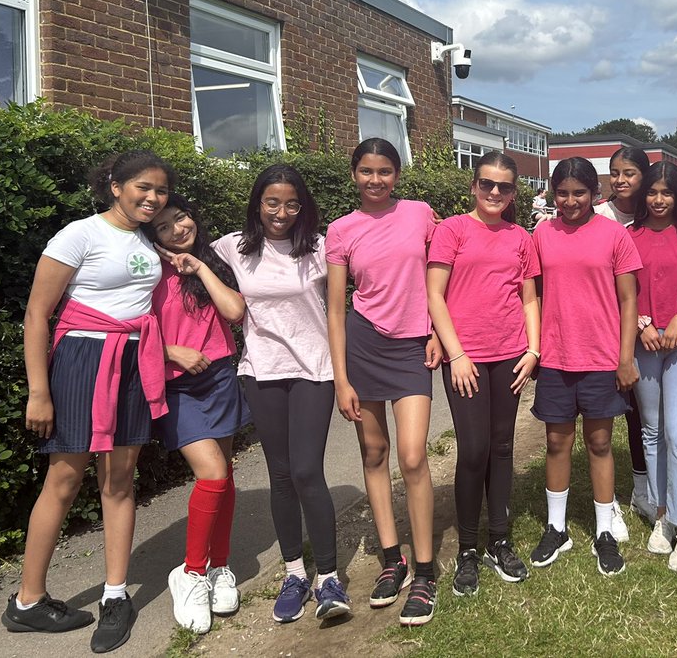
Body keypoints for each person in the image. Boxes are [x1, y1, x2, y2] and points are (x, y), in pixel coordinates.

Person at [4, 150, 174, 653]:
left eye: (161, 191)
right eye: (143, 187)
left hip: (133, 362)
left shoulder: (147, 238)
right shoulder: (80, 234)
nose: (152, 197)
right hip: (83, 361)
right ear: (115, 185)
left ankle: (116, 594)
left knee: (121, 478)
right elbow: (38, 314)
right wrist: (39, 391)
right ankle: (27, 602)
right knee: (64, 477)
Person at [214, 164, 345, 625]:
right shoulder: (233, 248)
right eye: (272, 202)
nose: (282, 212)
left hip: (315, 369)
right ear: (257, 203)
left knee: (308, 470)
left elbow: (357, 291)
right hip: (261, 372)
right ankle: (294, 573)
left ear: (303, 206)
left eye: (292, 203)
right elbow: (175, 248)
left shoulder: (321, 248)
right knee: (282, 474)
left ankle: (328, 578)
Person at [326, 139, 441, 627]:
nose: (376, 180)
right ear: (354, 174)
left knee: (413, 455)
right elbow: (334, 308)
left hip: (413, 344)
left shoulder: (421, 214)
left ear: (398, 173)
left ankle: (425, 571)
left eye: (385, 171)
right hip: (363, 345)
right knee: (375, 454)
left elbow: (441, 277)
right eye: (367, 171)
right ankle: (391, 558)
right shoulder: (340, 229)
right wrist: (340, 378)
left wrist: (438, 330)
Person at [427, 151, 540, 597]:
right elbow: (436, 295)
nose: (495, 192)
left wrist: (534, 350)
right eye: (488, 184)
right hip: (466, 358)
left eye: (505, 187)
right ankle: (469, 548)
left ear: (513, 192)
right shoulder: (452, 230)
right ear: (474, 186)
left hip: (510, 355)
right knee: (472, 450)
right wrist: (456, 354)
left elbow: (529, 299)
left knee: (502, 447)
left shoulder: (520, 238)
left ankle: (500, 539)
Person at [529, 157, 641, 576]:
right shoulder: (542, 233)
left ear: (596, 193)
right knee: (557, 444)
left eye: (580, 193)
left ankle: (603, 530)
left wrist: (624, 356)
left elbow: (629, 299)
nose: (571, 201)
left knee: (598, 444)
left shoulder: (614, 235)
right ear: (553, 194)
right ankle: (556, 527)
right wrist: (536, 347)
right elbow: (533, 293)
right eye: (562, 193)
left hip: (601, 357)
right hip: (557, 356)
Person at [146, 195, 248, 634]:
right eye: (164, 226)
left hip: (220, 376)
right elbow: (130, 327)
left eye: (181, 217)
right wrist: (171, 351)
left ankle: (219, 567)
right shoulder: (147, 272)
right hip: (177, 384)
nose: (177, 229)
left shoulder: (210, 262)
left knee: (224, 473)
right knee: (211, 474)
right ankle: (189, 573)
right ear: (153, 236)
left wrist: (199, 267)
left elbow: (235, 312)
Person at [628, 162, 677, 572]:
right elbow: (620, 291)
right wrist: (641, 325)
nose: (659, 200)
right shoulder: (628, 237)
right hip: (643, 342)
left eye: (668, 192)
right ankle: (662, 514)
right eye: (653, 192)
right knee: (652, 431)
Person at [594, 147, 656, 525]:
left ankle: (643, 486)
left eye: (629, 172)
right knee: (602, 415)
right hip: (603, 328)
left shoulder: (655, 213)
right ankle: (606, 496)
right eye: (614, 172)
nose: (620, 179)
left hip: (645, 330)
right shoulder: (599, 215)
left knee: (639, 414)